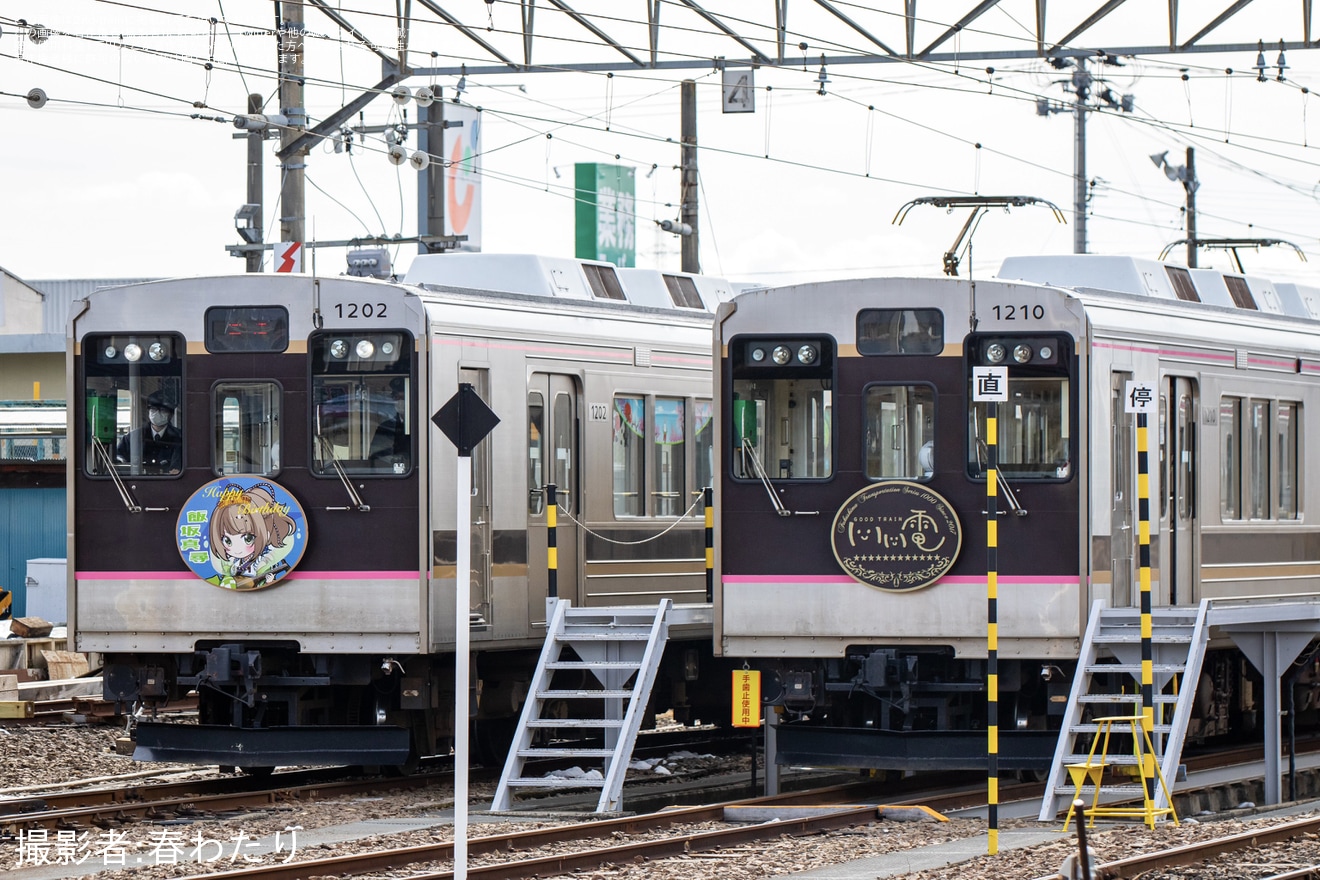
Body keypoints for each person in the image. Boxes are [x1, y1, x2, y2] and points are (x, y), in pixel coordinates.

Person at [115, 390, 182, 473]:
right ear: (148, 411)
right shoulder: (132, 438)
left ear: (171, 414)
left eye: (162, 410)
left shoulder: (180, 438)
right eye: (153, 409)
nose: (157, 413)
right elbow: (119, 458)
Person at [369, 377, 410, 467]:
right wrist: (394, 459)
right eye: (395, 396)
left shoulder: (424, 425)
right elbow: (376, 452)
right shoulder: (386, 427)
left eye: (401, 397)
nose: (398, 400)